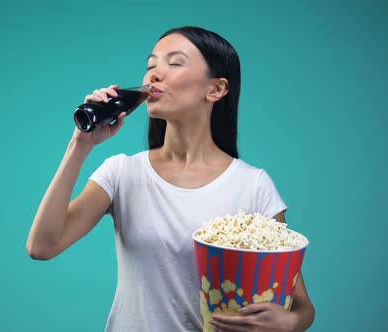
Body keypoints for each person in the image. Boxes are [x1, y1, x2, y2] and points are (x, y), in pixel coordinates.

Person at [26, 26, 315, 332]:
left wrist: (290, 322)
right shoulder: (122, 173)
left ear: (216, 89)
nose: (154, 76)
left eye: (174, 63)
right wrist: (80, 144)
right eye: (151, 66)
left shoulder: (253, 185)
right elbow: (42, 246)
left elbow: (301, 306)